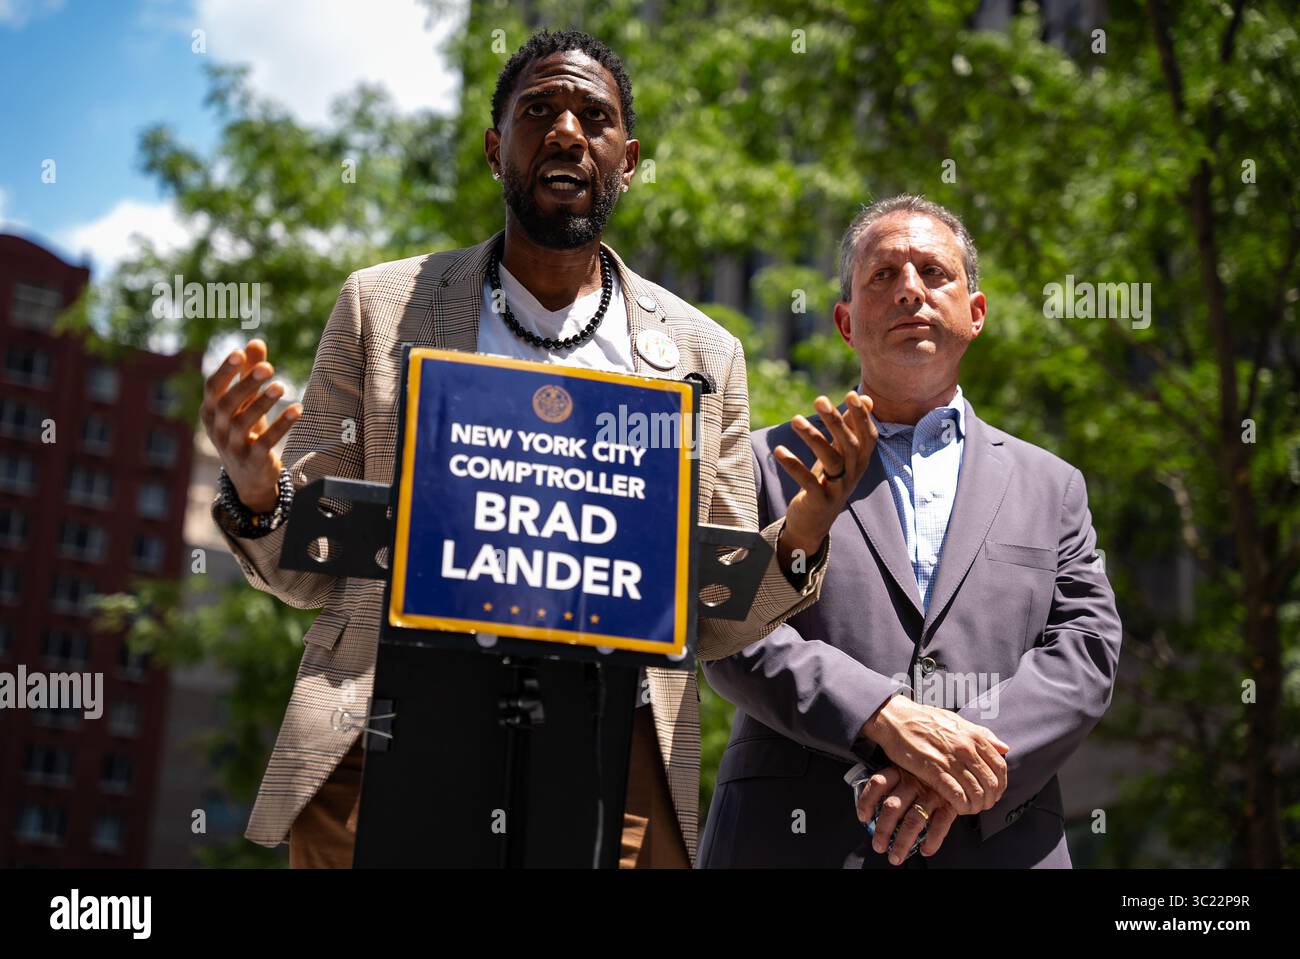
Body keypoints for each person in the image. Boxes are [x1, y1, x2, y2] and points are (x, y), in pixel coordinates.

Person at [200, 29, 875, 869]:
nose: (565, 131)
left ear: (627, 159)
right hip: (384, 748)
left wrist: (806, 528)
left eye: (593, 117)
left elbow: (713, 611)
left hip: (608, 765)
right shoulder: (381, 308)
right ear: (496, 149)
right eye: (539, 111)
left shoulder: (704, 355)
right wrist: (259, 490)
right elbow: (307, 571)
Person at [698, 195, 1122, 868]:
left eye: (933, 272)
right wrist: (881, 714)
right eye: (883, 275)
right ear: (844, 321)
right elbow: (724, 631)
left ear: (975, 314)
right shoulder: (761, 463)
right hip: (796, 838)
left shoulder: (1054, 485)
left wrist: (957, 757)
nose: (909, 292)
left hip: (998, 839)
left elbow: (1089, 648)